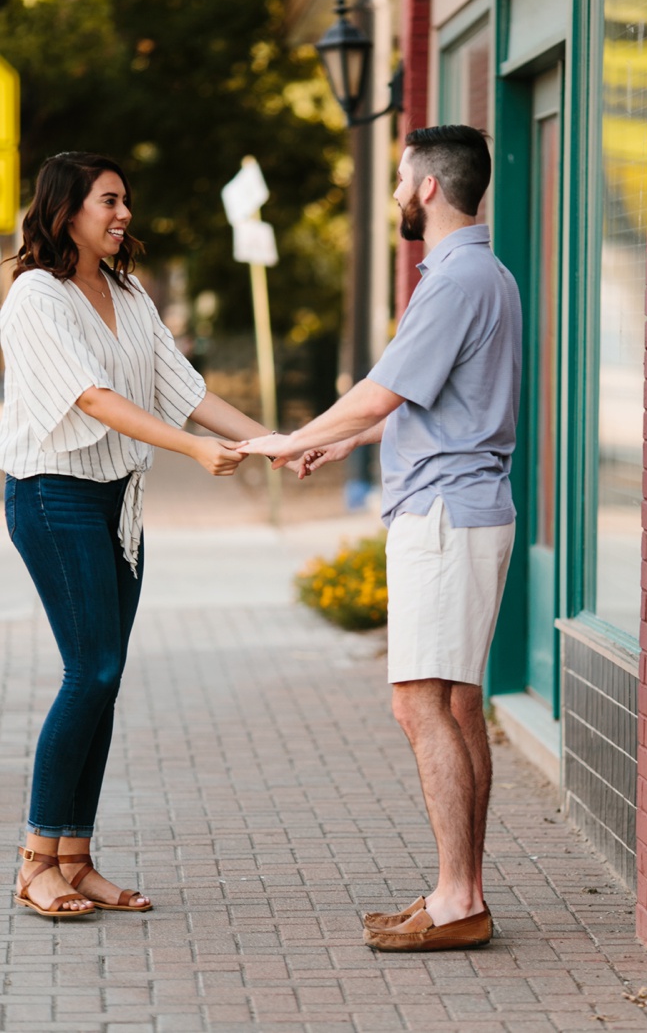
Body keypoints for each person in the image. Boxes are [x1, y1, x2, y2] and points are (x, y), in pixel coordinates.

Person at [240, 124, 521, 953]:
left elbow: (378, 393)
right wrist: (341, 443)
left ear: (428, 187)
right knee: (457, 701)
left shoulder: (456, 279)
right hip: (462, 509)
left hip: (442, 518)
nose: (399, 192)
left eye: (403, 179)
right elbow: (420, 402)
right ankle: (457, 888)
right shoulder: (480, 272)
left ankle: (458, 898)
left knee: (419, 702)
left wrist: (288, 439)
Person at [2, 151, 277, 918]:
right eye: (109, 201)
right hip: (53, 496)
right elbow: (89, 398)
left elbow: (185, 391)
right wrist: (191, 450)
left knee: (107, 677)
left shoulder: (126, 292)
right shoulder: (35, 296)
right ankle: (33, 862)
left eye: (125, 202)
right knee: (89, 670)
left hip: (116, 500)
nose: (123, 214)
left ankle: (75, 856)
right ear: (67, 209)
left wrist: (276, 445)